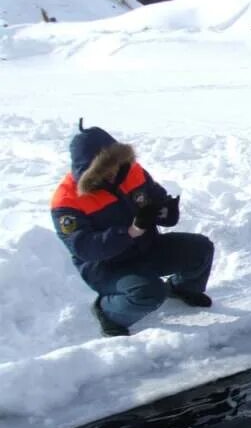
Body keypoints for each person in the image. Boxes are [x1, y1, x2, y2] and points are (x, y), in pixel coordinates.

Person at [50, 122, 215, 337]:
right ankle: (107, 311)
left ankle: (182, 288)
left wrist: (166, 212)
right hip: (106, 266)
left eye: (115, 163)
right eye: (103, 170)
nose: (113, 172)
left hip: (147, 248)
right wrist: (130, 232)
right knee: (149, 293)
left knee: (201, 248)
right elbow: (84, 248)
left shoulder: (132, 171)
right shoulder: (67, 201)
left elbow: (157, 196)